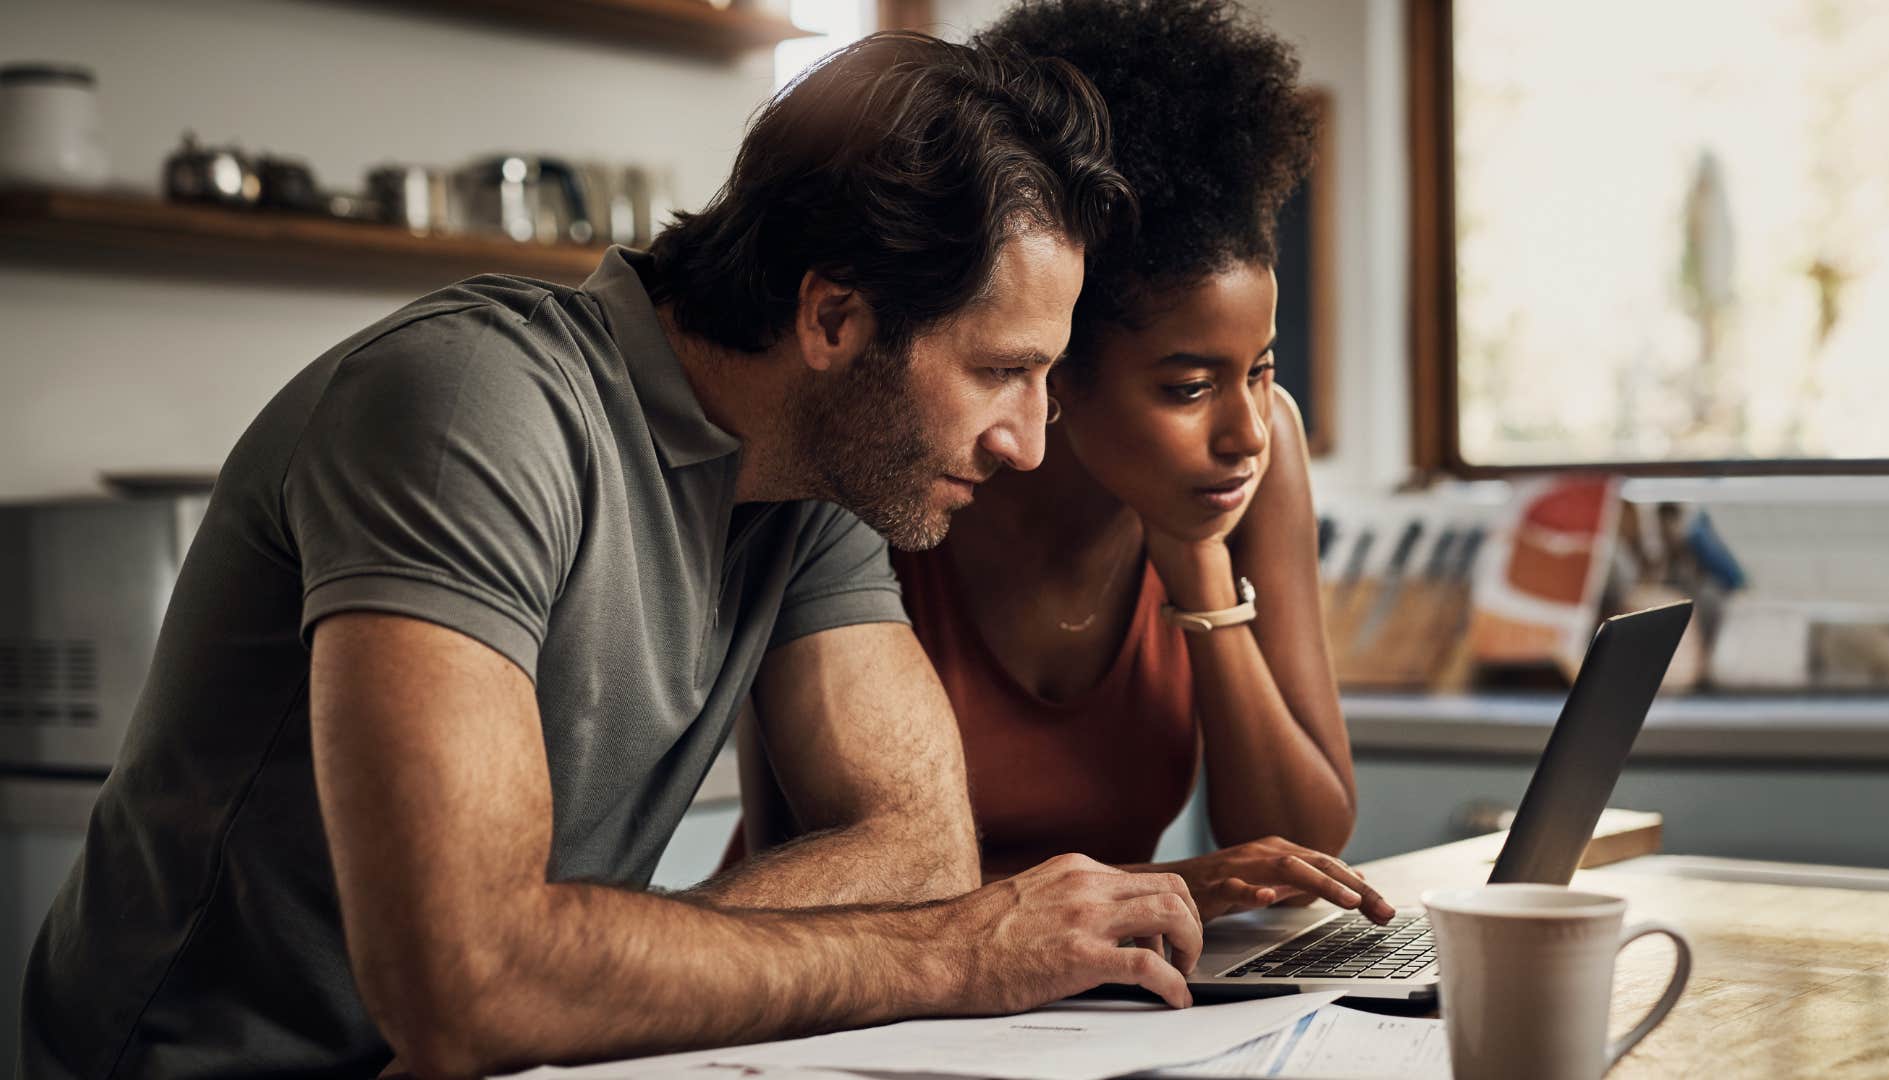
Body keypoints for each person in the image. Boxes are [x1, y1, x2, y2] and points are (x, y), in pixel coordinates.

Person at [18, 33, 1208, 1079]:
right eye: (1002, 370)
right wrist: (948, 957)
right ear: (835, 321)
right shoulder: (473, 406)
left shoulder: (823, 475)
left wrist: (576, 981)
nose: (1032, 439)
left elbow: (918, 846)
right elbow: (470, 984)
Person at [733, 0, 1394, 928]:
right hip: (839, 993)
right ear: (1056, 364)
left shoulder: (1252, 458)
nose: (1248, 428)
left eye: (1262, 367)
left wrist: (1197, 561)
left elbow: (1305, 844)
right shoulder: (893, 472)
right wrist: (1158, 887)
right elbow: (804, 866)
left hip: (1075, 997)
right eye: (1188, 386)